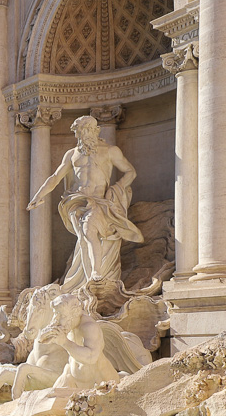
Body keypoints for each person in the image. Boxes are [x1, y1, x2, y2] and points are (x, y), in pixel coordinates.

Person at [28, 114, 143, 293]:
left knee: (89, 231)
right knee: (83, 238)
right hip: (75, 200)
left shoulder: (110, 150)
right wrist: (38, 195)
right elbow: (55, 177)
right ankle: (90, 280)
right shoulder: (72, 154)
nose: (81, 135)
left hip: (98, 201)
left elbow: (130, 172)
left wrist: (117, 187)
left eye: (85, 130)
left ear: (96, 131)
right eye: (79, 131)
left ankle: (96, 273)